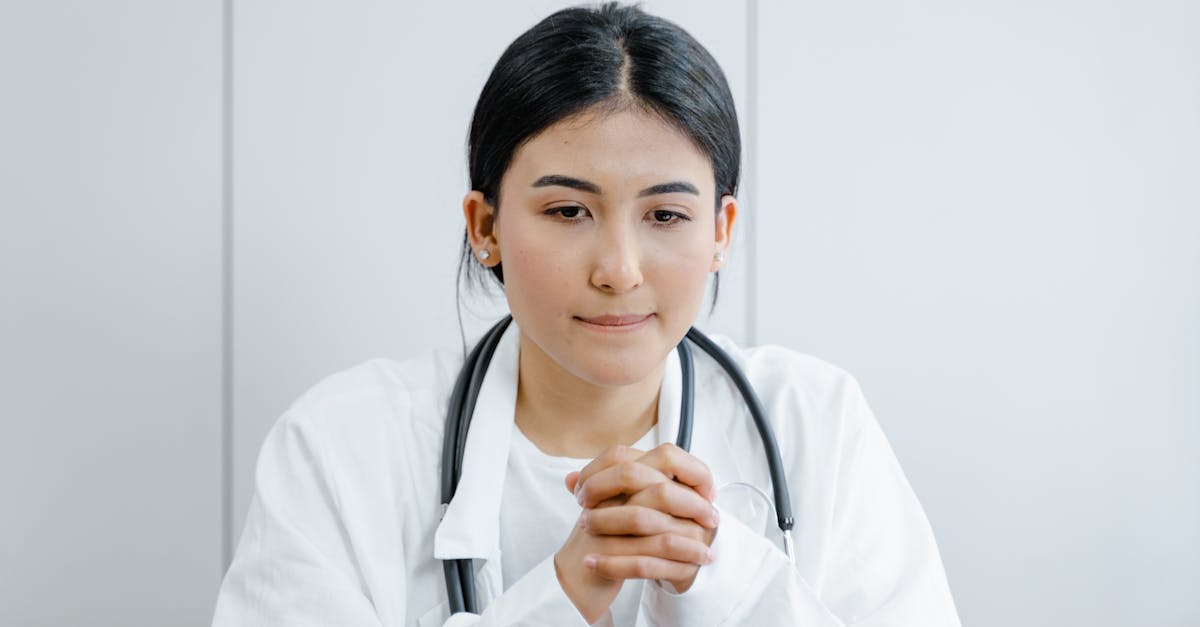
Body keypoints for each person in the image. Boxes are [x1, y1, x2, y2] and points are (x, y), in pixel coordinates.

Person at [211, 3, 962, 626]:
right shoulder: (343, 447)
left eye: (666, 215)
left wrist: (727, 576)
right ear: (486, 226)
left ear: (722, 232)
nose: (619, 269)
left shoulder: (815, 424)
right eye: (568, 210)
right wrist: (558, 597)